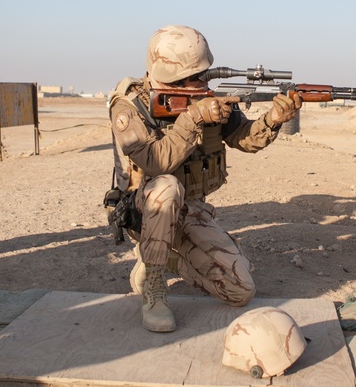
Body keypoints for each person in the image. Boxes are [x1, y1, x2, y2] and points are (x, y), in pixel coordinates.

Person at [107, 25, 301, 332]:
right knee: (166, 186)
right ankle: (154, 288)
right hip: (144, 211)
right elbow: (156, 162)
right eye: (193, 76)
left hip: (189, 208)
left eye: (203, 74)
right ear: (168, 73)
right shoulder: (131, 106)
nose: (200, 82)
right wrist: (194, 119)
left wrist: (272, 120)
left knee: (240, 291)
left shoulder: (204, 98)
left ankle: (161, 259)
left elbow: (243, 138)